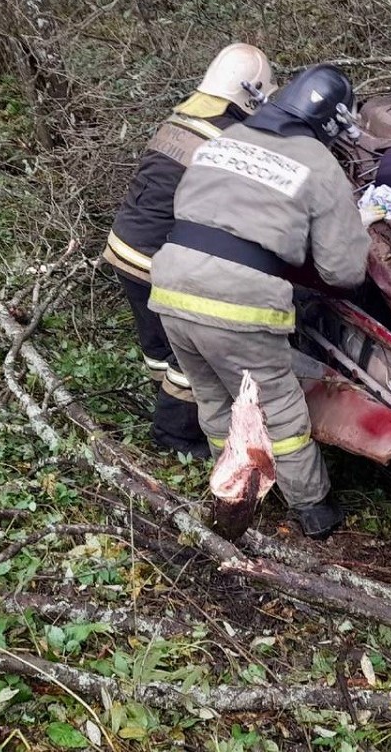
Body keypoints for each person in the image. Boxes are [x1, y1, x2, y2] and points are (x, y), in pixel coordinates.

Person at [148, 65, 370, 540]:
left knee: (213, 396)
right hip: (237, 301)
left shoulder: (223, 140)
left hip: (170, 284)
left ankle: (233, 486)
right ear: (333, 124)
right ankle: (312, 508)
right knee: (279, 407)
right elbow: (344, 271)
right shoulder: (318, 163)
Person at [104, 44, 276, 458]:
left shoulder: (182, 117)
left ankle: (163, 397)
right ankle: (175, 434)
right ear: (251, 94)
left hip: (125, 246)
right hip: (161, 258)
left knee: (159, 342)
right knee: (192, 354)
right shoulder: (231, 138)